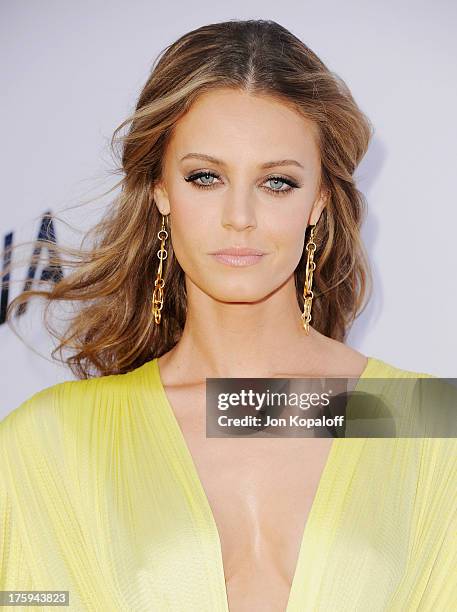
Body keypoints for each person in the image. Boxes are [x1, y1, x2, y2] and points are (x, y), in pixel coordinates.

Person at [1, 19, 455, 612]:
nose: (239, 215)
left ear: (319, 200)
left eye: (277, 182)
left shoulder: (427, 421)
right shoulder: (51, 443)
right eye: (206, 177)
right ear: (161, 189)